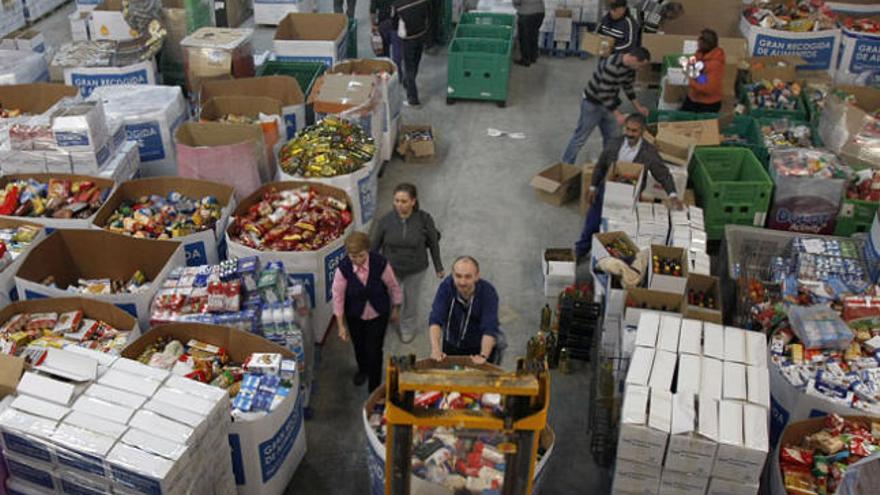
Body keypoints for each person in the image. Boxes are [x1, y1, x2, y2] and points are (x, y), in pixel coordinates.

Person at [576, 113, 685, 259]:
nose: (630, 134)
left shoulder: (649, 152)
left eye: (634, 131)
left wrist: (672, 195)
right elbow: (601, 166)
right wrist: (593, 187)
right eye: (627, 129)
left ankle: (610, 258)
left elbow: (663, 174)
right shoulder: (614, 144)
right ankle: (580, 251)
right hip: (607, 190)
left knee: (618, 229)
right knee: (592, 223)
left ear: (642, 131)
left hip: (631, 196)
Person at [371, 183, 444, 344]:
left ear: (413, 201)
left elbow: (433, 243)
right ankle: (388, 318)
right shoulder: (386, 221)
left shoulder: (424, 220)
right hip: (391, 268)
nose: (399, 205)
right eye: (396, 201)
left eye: (404, 201)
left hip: (415, 268)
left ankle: (407, 327)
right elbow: (375, 245)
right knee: (388, 297)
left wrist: (438, 266)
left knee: (411, 300)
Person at [332, 232, 403, 392]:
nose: (357, 260)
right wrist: (341, 325)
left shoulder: (380, 263)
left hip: (378, 313)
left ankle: (375, 386)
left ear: (368, 250)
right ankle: (363, 369)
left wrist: (396, 308)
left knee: (374, 350)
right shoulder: (343, 269)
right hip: (354, 315)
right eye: (353, 256)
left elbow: (393, 286)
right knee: (359, 345)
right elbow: (338, 297)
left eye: (361, 256)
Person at [562, 46, 652, 165]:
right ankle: (566, 165)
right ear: (633, 58)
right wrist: (618, 115)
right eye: (640, 65)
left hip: (609, 104)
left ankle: (608, 167)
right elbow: (604, 93)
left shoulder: (630, 67)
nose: (640, 68)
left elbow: (627, 86)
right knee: (580, 138)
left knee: (613, 138)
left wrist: (638, 106)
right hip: (592, 103)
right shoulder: (612, 65)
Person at [429, 256, 500, 365]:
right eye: (458, 276)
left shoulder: (488, 293)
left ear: (477, 276)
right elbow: (435, 319)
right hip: (451, 343)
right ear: (452, 275)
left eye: (468, 277)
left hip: (478, 345)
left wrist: (483, 355)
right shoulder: (446, 288)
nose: (462, 282)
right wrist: (436, 349)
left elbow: (489, 327)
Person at [392, 0, 430, 107]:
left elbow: (394, 23)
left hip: (408, 39)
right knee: (416, 62)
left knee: (408, 67)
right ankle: (407, 83)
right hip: (421, 35)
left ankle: (413, 99)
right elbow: (428, 15)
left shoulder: (398, 6)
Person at [681, 29, 726, 114]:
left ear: (706, 43)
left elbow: (707, 88)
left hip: (708, 103)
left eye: (699, 40)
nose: (697, 42)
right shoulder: (699, 54)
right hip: (694, 97)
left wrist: (690, 81)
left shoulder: (715, 65)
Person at [371, 0, 403, 76]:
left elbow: (372, 11)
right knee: (397, 54)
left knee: (382, 53)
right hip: (396, 26)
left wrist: (374, 26)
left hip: (383, 25)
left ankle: (386, 73)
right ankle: (398, 75)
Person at [513, 0, 546, 67]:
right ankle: (533, 57)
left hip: (527, 13)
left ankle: (526, 60)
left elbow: (517, 1)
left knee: (524, 38)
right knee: (534, 35)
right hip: (540, 12)